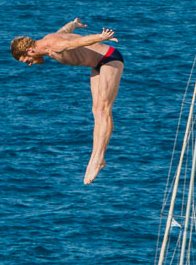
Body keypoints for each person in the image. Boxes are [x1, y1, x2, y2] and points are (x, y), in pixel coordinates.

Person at [10, 18, 123, 185]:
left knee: (103, 110)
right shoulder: (48, 39)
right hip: (97, 64)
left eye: (27, 61)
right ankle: (95, 157)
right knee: (96, 110)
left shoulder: (53, 46)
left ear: (29, 50)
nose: (30, 64)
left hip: (109, 59)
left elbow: (78, 42)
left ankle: (99, 158)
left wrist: (101, 37)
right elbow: (64, 32)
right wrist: (74, 24)